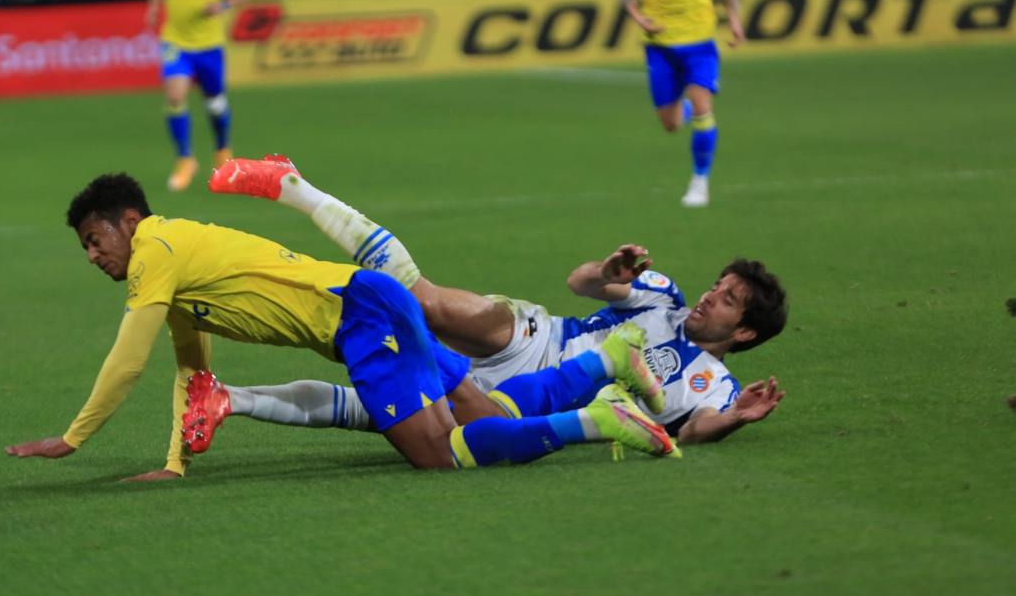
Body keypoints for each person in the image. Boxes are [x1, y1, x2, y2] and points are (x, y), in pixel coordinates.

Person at [4, 173, 679, 479]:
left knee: (439, 455)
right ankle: (607, 361)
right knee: (483, 412)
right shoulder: (170, 262)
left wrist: (72, 439)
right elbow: (192, 364)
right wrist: (175, 463)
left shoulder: (154, 249)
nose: (95, 256)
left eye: (97, 239)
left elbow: (127, 361)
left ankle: (600, 421)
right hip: (373, 305)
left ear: (128, 221)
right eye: (85, 249)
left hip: (364, 322)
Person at [207, 156, 787, 445]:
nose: (712, 296)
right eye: (719, 285)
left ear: (745, 334)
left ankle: (228, 398)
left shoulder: (714, 386)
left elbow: (691, 430)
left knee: (376, 404)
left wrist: (736, 419)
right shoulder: (664, 298)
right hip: (534, 338)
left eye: (730, 300)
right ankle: (295, 186)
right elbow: (582, 283)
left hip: (526, 405)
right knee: (424, 303)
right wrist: (605, 270)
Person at [620, 0, 745, 208]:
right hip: (659, 46)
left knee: (704, 106)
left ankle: (699, 182)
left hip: (700, 43)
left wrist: (733, 19)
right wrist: (638, 17)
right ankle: (686, 106)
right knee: (671, 123)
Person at [144, 0, 248, 192]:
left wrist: (223, 5)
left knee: (215, 103)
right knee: (175, 95)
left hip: (208, 43)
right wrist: (153, 7)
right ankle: (185, 158)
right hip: (175, 40)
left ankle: (222, 151)